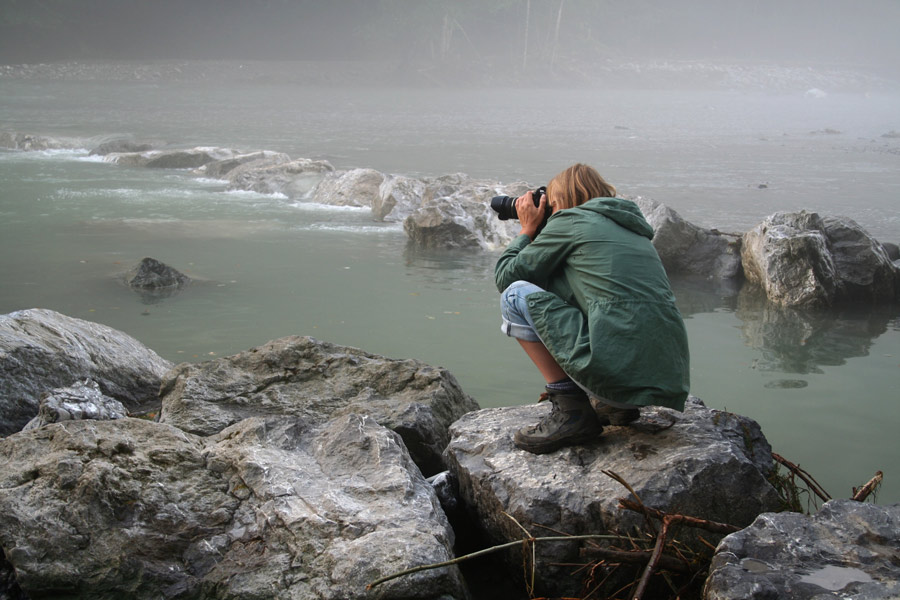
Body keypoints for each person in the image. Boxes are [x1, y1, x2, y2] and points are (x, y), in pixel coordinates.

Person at [495, 163, 689, 454]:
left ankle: (571, 412)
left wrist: (527, 230)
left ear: (557, 202)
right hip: (661, 380)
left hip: (618, 375)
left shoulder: (569, 221)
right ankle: (612, 405)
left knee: (513, 296)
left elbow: (506, 276)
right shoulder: (633, 231)